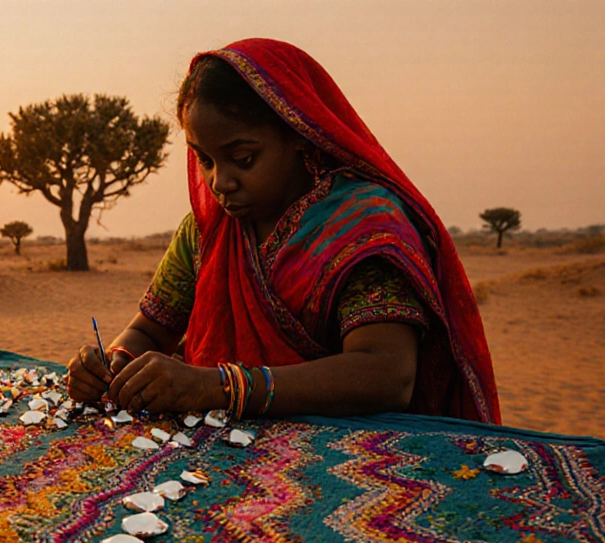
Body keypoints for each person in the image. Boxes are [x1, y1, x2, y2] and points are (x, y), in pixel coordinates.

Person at [67, 39, 500, 423]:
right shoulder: (208, 231)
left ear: (298, 132)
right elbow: (148, 331)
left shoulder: (362, 227)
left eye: (243, 158)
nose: (220, 182)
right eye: (205, 160)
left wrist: (216, 388)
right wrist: (114, 362)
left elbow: (386, 374)